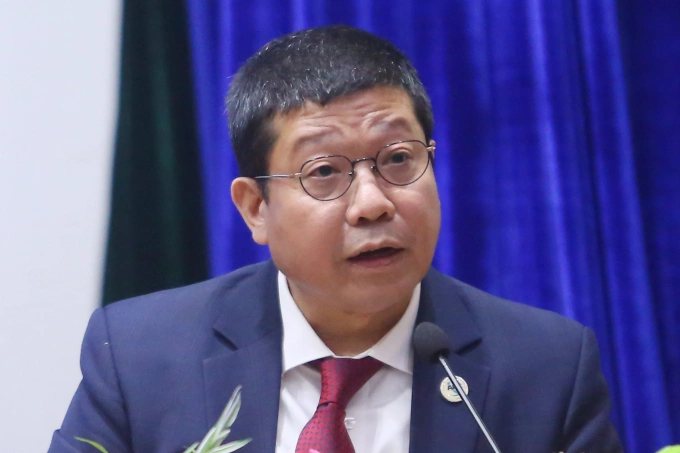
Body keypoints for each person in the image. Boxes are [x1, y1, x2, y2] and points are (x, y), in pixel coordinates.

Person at [48, 25, 622, 453]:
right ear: (256, 209)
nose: (373, 203)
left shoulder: (547, 368)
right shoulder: (141, 356)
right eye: (323, 172)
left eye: (398, 159)